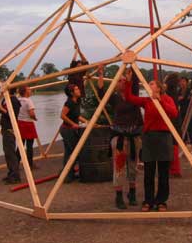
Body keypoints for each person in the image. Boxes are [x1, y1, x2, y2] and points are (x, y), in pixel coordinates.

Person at [124, 68, 178, 212]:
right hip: (149, 138)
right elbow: (129, 98)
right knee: (149, 172)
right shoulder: (146, 101)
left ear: (159, 88)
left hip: (164, 137)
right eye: (149, 84)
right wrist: (128, 83)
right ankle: (148, 201)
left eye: (152, 83)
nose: (149, 86)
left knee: (163, 173)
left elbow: (174, 113)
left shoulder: (167, 99)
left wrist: (160, 101)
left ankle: (161, 201)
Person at [97, 65, 143, 209]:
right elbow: (101, 92)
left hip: (134, 136)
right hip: (120, 137)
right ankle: (118, 197)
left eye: (124, 80)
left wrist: (130, 66)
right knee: (119, 167)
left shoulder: (134, 95)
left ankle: (132, 193)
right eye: (120, 81)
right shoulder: (115, 98)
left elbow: (134, 81)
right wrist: (100, 74)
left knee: (133, 167)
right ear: (116, 84)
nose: (122, 82)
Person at [59, 84, 89, 182]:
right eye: (76, 89)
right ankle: (67, 175)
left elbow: (77, 116)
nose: (79, 90)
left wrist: (88, 122)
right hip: (67, 130)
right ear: (72, 93)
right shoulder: (69, 102)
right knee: (75, 151)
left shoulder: (77, 101)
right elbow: (62, 116)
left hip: (70, 129)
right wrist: (73, 124)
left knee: (68, 152)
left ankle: (68, 175)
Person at [0, 88, 21, 184]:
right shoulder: (6, 99)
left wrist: (0, 107)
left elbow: (11, 115)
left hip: (10, 129)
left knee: (11, 153)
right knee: (7, 152)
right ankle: (11, 173)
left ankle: (15, 176)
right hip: (5, 128)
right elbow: (0, 111)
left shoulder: (14, 101)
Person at [164, 73, 182, 177]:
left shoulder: (169, 93)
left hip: (171, 121)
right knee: (173, 144)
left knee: (172, 145)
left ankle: (175, 169)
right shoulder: (174, 92)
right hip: (175, 120)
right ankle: (174, 168)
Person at [16, 86, 38, 169]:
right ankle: (30, 164)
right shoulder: (28, 101)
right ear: (25, 92)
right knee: (29, 145)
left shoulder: (18, 100)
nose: (30, 90)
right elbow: (31, 113)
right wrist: (35, 118)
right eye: (29, 89)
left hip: (20, 123)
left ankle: (16, 163)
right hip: (28, 123)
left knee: (20, 145)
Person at [178, 77, 192, 156]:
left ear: (187, 82)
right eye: (181, 81)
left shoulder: (190, 91)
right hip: (182, 113)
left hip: (189, 113)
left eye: (183, 81)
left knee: (191, 131)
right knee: (182, 132)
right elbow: (176, 100)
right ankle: (184, 149)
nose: (182, 83)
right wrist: (179, 98)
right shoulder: (178, 91)